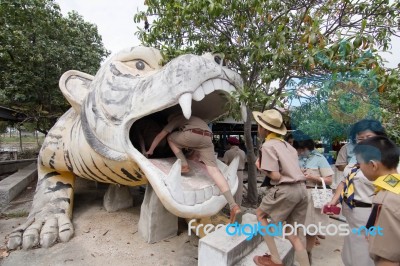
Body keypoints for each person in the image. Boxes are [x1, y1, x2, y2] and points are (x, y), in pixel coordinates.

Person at [146, 113, 242, 223]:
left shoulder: (176, 118)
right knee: (214, 171)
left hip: (192, 135)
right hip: (208, 137)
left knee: (170, 138)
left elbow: (160, 135)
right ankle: (233, 206)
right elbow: (198, 142)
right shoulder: (196, 119)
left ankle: (184, 164)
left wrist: (151, 150)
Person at [252, 109, 310, 266]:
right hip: (302, 190)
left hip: (286, 189)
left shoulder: (268, 146)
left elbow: (276, 176)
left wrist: (260, 167)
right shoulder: (289, 147)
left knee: (260, 215)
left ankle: (275, 259)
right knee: (293, 234)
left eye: (259, 125)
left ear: (264, 128)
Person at [326, 119, 388, 266]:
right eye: (360, 138)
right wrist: (334, 200)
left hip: (371, 213)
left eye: (369, 137)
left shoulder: (387, 160)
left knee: (365, 253)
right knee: (350, 251)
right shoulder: (356, 158)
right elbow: (345, 180)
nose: (364, 141)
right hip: (351, 212)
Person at [353, 136, 400, 266]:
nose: (359, 168)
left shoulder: (386, 200)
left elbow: (388, 256)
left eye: (360, 163)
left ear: (373, 165)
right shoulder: (395, 186)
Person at [295, 138, 334, 264]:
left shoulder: (319, 158)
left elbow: (329, 180)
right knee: (296, 226)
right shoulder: (296, 158)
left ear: (308, 148)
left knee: (311, 226)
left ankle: (308, 252)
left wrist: (313, 177)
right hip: (298, 194)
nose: (299, 152)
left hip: (313, 194)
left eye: (301, 149)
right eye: (298, 149)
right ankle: (299, 250)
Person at [222, 136, 246, 206]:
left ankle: (232, 207)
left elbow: (224, 165)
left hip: (231, 173)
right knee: (239, 190)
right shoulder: (243, 152)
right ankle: (239, 206)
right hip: (240, 172)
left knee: (231, 189)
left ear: (230, 144)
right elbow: (244, 161)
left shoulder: (228, 152)